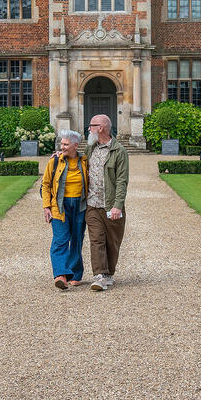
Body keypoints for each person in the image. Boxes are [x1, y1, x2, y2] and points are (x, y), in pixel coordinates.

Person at [85, 114, 129, 291]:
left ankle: (109, 273)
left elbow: (121, 180)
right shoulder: (90, 148)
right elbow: (77, 164)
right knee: (96, 240)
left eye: (91, 126)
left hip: (111, 205)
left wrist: (118, 205)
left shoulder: (119, 151)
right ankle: (100, 275)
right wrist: (61, 155)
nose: (89, 129)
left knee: (112, 242)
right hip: (92, 204)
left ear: (101, 128)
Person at [41, 130, 88, 290]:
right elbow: (46, 185)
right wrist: (46, 206)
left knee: (77, 239)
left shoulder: (85, 161)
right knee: (60, 239)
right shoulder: (54, 161)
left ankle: (75, 274)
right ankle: (60, 274)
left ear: (76, 145)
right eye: (61, 144)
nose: (62, 147)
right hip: (60, 205)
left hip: (80, 205)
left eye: (66, 144)